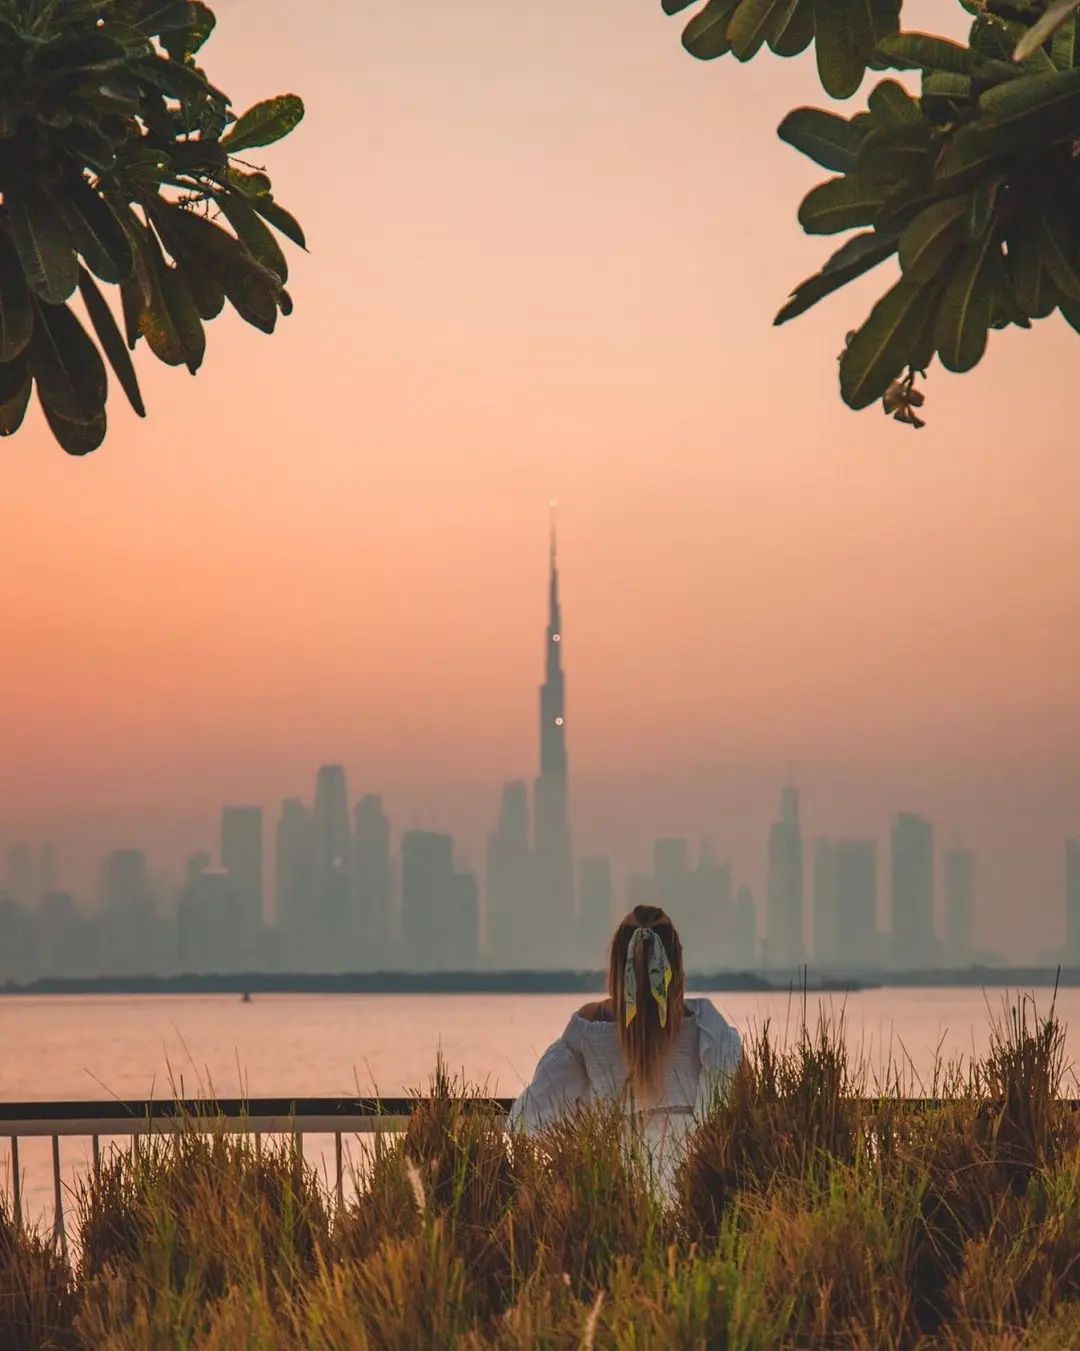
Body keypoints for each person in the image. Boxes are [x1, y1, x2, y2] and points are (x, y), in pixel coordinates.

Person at [509, 904, 742, 1171]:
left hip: (615, 1187)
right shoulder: (707, 1025)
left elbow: (529, 1119)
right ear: (675, 964)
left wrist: (580, 1150)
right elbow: (726, 1112)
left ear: (616, 964)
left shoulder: (589, 1027)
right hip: (691, 1184)